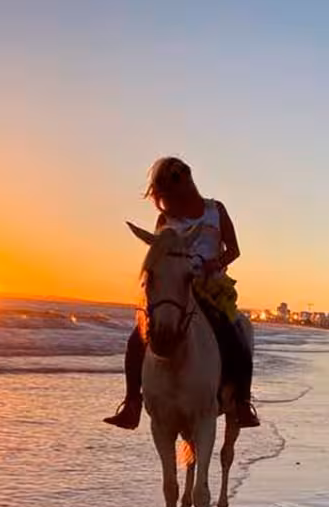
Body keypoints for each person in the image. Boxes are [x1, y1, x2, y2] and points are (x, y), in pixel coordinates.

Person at [105, 157, 260, 430]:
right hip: (177, 288)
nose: (168, 200)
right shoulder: (165, 219)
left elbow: (234, 249)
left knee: (235, 334)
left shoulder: (215, 210)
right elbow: (158, 256)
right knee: (136, 339)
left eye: (170, 192)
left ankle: (242, 403)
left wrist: (217, 263)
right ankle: (132, 403)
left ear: (187, 182)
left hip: (211, 287)